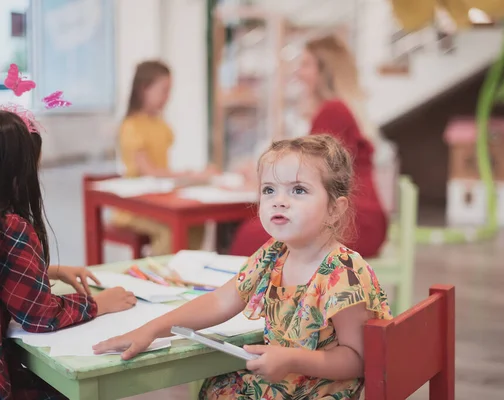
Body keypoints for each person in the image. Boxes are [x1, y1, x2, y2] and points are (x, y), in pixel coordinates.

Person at [92, 135, 392, 399]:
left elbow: (357, 359)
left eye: (298, 190)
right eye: (269, 190)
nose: (279, 201)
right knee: (215, 387)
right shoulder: (273, 254)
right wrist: (153, 329)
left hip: (320, 389)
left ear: (334, 210)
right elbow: (220, 300)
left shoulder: (344, 272)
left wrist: (292, 359)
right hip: (284, 381)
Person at [0, 108, 137, 399]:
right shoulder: (11, 228)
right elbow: (39, 316)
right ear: (16, 173)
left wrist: (48, 271)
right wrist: (98, 303)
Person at [228, 34, 389, 258]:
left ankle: (243, 291)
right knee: (256, 230)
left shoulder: (333, 111)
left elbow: (309, 174)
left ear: (324, 72)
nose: (298, 72)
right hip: (349, 216)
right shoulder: (335, 110)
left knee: (251, 234)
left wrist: (260, 180)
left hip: (351, 221)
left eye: (305, 64)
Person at [112, 60, 218, 255]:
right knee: (168, 230)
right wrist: (187, 176)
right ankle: (159, 276)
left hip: (161, 198)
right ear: (144, 89)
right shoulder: (131, 126)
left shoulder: (161, 124)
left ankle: (185, 271)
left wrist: (189, 175)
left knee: (196, 224)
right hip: (135, 206)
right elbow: (149, 171)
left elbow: (161, 171)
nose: (167, 97)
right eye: (164, 90)